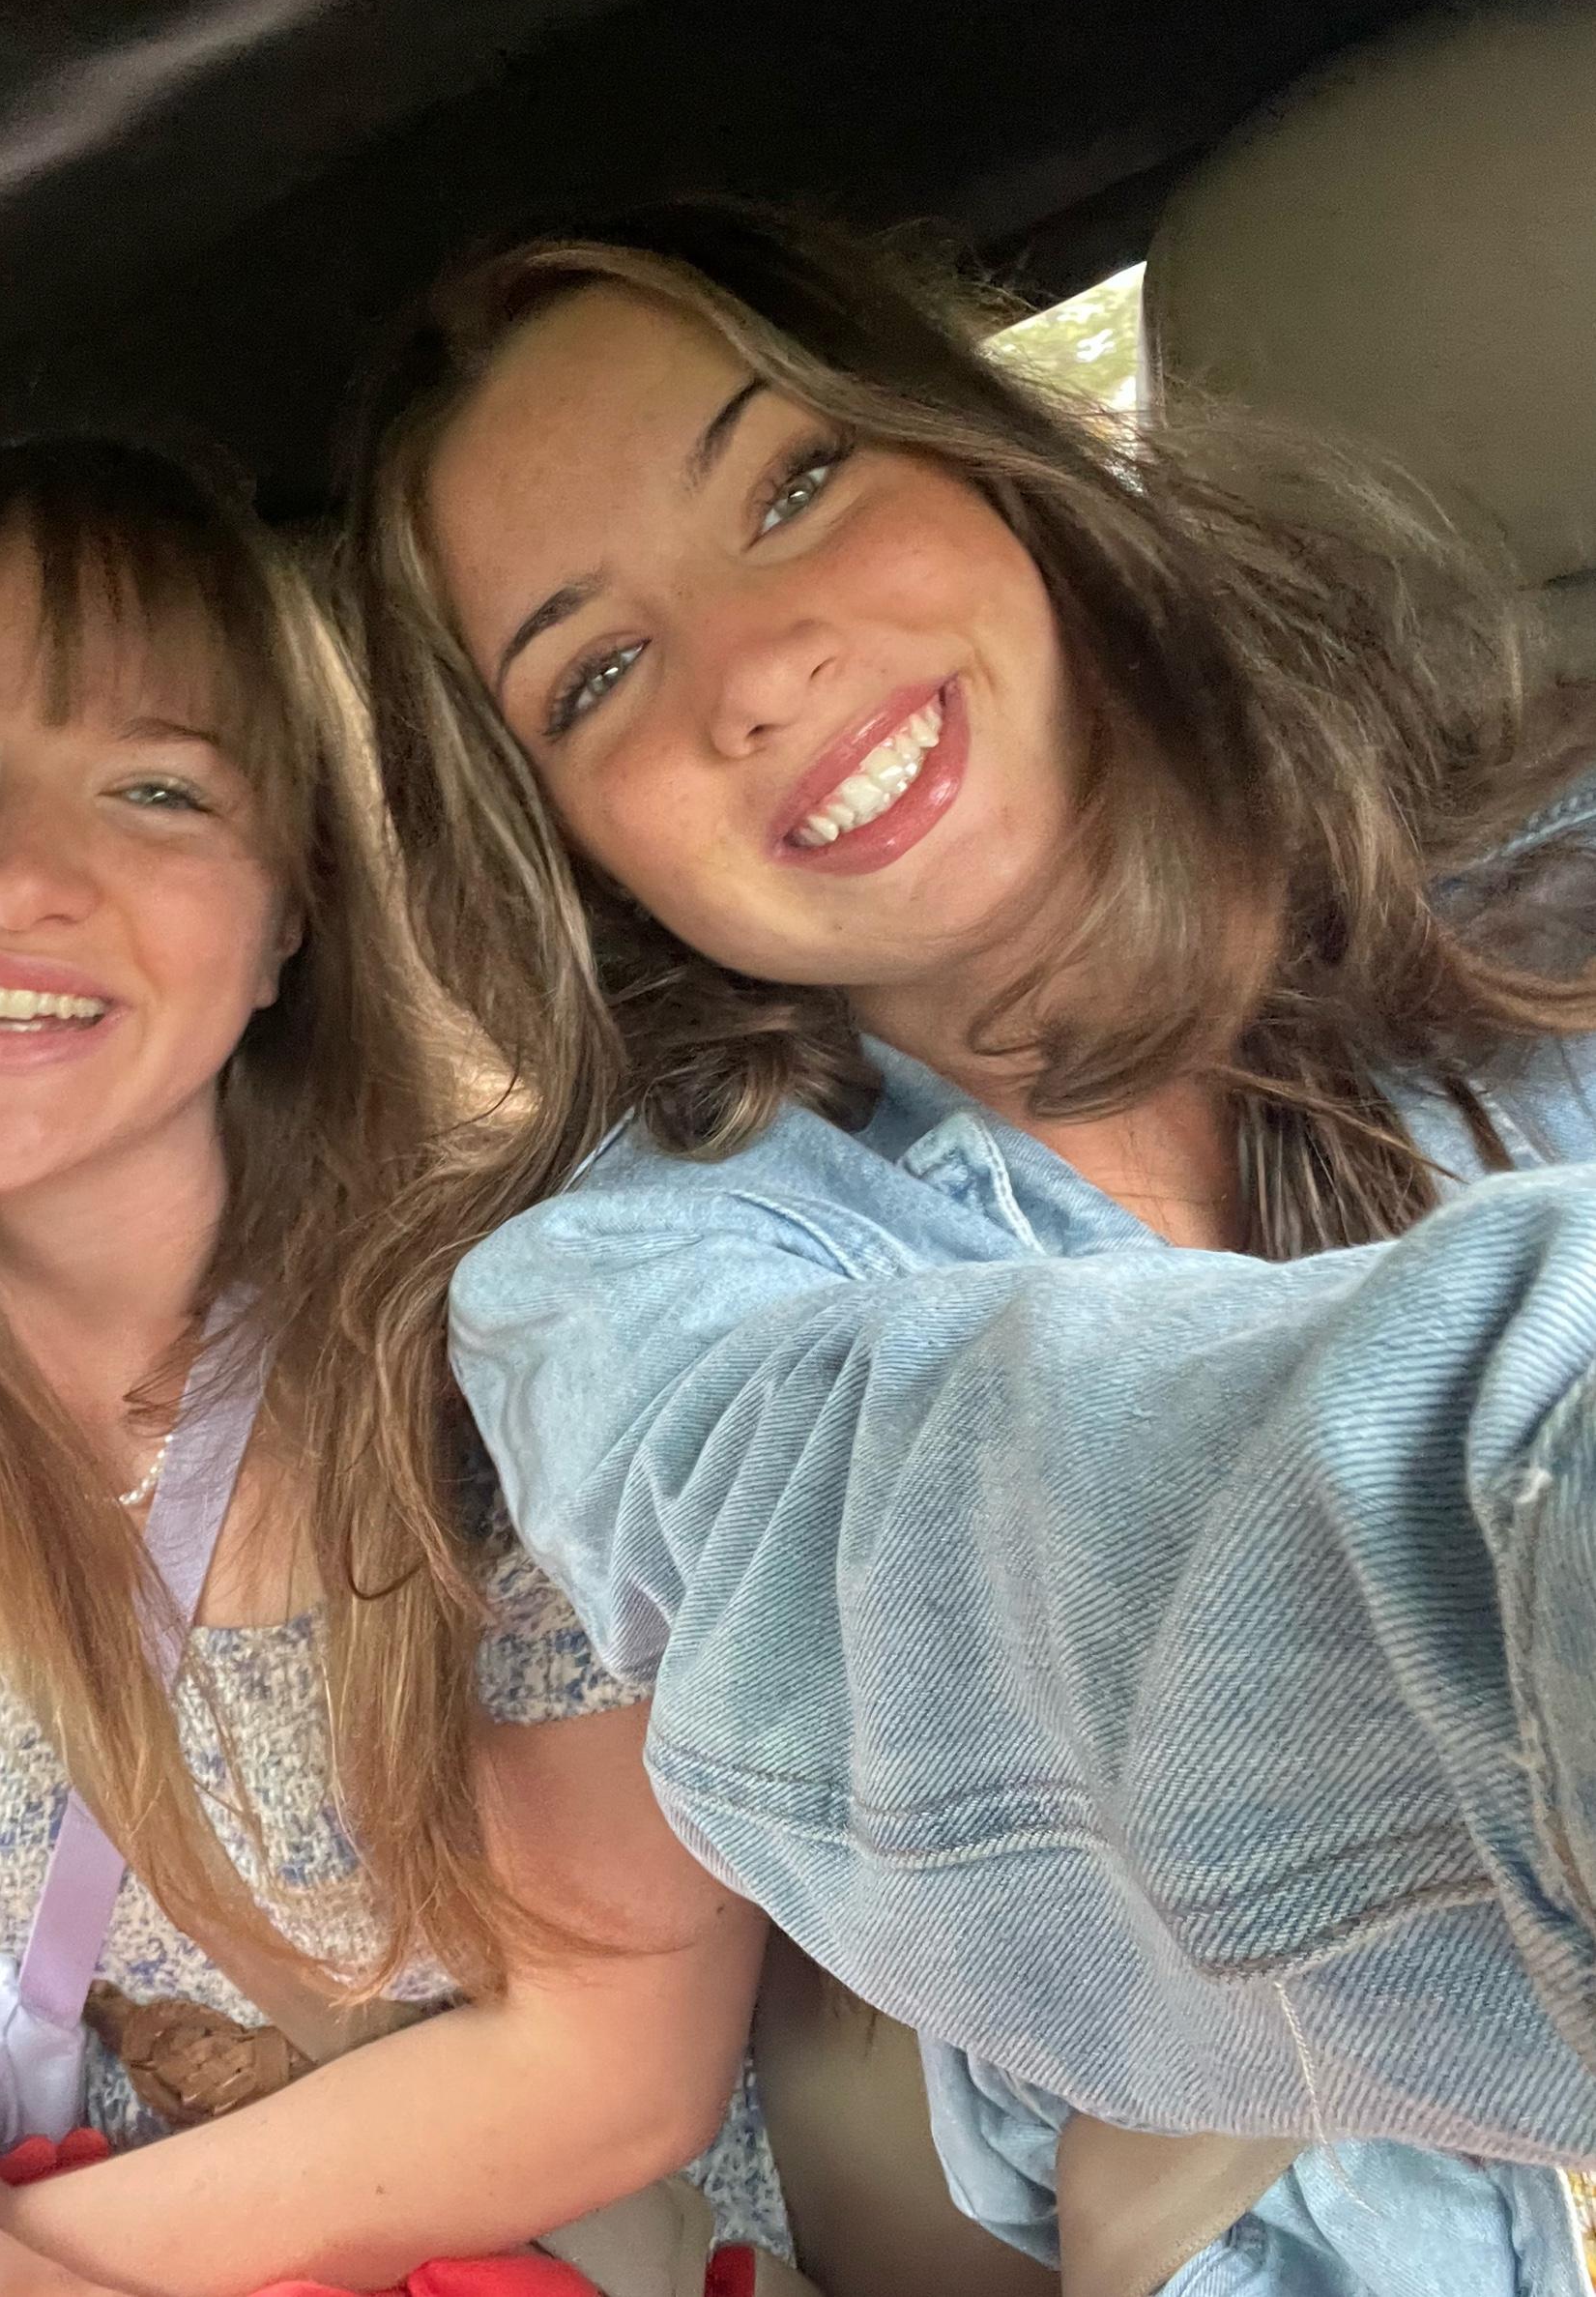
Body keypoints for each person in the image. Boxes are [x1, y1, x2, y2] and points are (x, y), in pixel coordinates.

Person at [343, 202, 1596, 2286]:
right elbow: (879, 1571)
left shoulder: (1551, 862)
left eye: (794, 484)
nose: (761, 671)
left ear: (988, 462)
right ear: (565, 848)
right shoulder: (629, 1292)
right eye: (598, 672)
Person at [0, 437, 790, 2297]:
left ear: (291, 920)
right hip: (35, 2145)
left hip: (492, 2224)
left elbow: (614, 2067)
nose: (12, 874)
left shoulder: (504, 1312)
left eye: (158, 790)